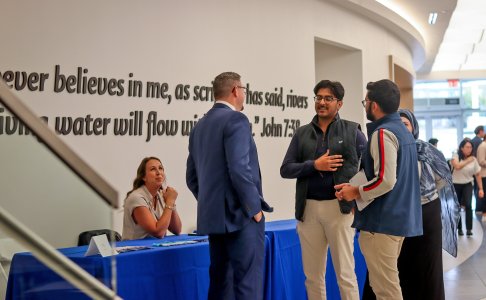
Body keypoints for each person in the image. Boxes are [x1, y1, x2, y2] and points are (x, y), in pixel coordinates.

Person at [186, 72, 273, 300]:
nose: (244, 94)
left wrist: (213, 203)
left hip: (213, 219)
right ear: (236, 90)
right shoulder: (237, 120)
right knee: (247, 286)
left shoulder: (199, 126)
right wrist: (254, 209)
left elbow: (192, 178)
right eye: (243, 89)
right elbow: (239, 169)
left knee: (220, 285)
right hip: (242, 217)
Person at [335, 79, 422, 300]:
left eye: (365, 101)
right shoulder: (404, 133)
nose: (365, 105)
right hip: (396, 222)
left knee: (387, 290)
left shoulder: (383, 133)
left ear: (373, 105)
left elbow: (385, 180)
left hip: (382, 224)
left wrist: (354, 192)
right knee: (385, 286)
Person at [280, 80, 366, 300]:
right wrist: (314, 165)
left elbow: (369, 169)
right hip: (308, 210)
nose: (322, 102)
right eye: (318, 97)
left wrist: (357, 197)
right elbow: (286, 169)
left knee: (345, 275)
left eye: (328, 98)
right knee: (312, 277)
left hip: (340, 211)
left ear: (340, 103)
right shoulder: (302, 133)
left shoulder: (352, 130)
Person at [396, 109, 459, 300]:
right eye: (397, 124)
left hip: (427, 212)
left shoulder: (428, 150)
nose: (401, 128)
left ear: (413, 127)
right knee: (401, 264)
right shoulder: (390, 150)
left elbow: (443, 179)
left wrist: (423, 191)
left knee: (428, 265)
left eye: (405, 124)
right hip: (399, 214)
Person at [122, 157, 182, 240]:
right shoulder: (136, 198)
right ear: (143, 177)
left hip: (155, 247)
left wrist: (171, 202)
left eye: (160, 168)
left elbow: (177, 230)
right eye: (153, 169)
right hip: (137, 251)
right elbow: (158, 232)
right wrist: (170, 201)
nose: (158, 172)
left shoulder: (161, 195)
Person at [451, 138, 484, 236]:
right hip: (456, 184)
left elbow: (477, 174)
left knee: (468, 206)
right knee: (457, 207)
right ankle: (459, 228)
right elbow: (457, 166)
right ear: (462, 148)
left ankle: (469, 229)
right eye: (467, 147)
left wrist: (481, 189)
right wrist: (469, 160)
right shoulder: (455, 156)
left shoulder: (474, 160)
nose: (469, 149)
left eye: (471, 147)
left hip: (468, 184)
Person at [471, 125, 484, 213]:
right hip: (479, 168)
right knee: (480, 188)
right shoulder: (480, 142)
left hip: (471, 167)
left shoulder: (472, 141)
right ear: (480, 131)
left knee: (476, 188)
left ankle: (478, 208)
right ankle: (479, 208)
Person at [476, 136, 486, 221]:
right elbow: (481, 161)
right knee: (484, 195)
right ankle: (484, 214)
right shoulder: (483, 146)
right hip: (483, 174)